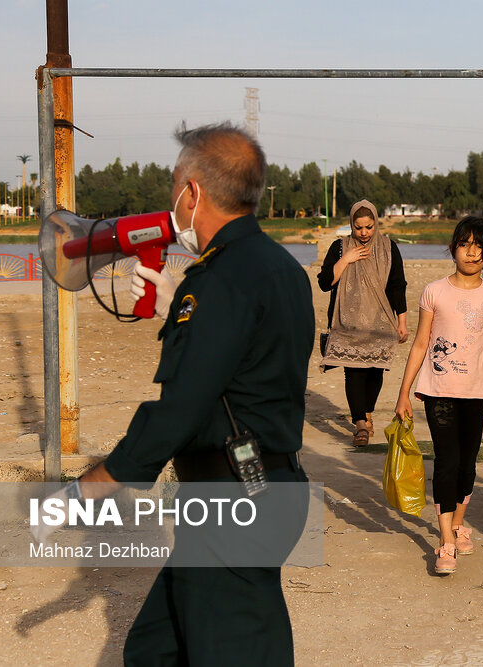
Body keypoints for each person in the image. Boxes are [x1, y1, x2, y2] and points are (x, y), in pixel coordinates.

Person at [77, 121, 313, 665]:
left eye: (174, 185)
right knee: (154, 649)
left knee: (237, 651)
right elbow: (245, 367)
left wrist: (101, 481)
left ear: (192, 193)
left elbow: (184, 404)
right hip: (263, 486)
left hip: (232, 500)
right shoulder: (279, 268)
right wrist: (176, 311)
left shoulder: (219, 279)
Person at [394, 216, 483, 575]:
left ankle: (458, 523)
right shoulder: (434, 291)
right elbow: (422, 343)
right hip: (438, 390)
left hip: (475, 392)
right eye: (464, 244)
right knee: (447, 459)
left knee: (468, 462)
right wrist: (403, 393)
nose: (470, 252)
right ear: (453, 248)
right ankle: (446, 543)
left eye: (478, 246)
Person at [317, 199, 408, 446]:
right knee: (353, 371)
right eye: (358, 228)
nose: (364, 233)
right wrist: (346, 259)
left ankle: (367, 411)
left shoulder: (389, 248)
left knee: (375, 371)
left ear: (376, 223)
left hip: (381, 321)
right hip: (347, 322)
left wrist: (402, 321)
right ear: (351, 226)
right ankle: (360, 425)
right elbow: (325, 283)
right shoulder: (339, 247)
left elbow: (398, 285)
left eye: (368, 227)